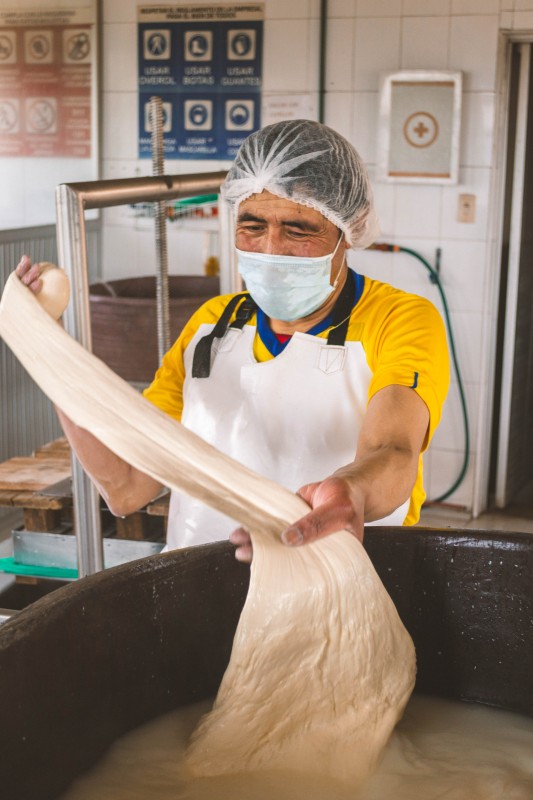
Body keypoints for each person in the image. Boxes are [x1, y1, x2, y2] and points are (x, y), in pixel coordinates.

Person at [16, 119, 449, 562]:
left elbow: (392, 449)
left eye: (298, 230)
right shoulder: (211, 326)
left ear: (347, 232)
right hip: (199, 595)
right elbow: (127, 485)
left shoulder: (398, 319)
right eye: (252, 224)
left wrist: (351, 492)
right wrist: (48, 351)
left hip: (342, 585)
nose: (271, 248)